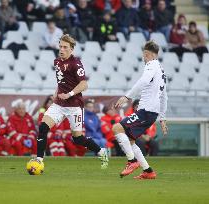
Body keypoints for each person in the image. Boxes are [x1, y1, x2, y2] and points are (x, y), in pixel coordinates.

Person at [36, 34, 109, 169]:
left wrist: (69, 94)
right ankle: (39, 159)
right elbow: (61, 82)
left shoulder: (76, 64)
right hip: (59, 104)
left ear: (71, 49)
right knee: (43, 127)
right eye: (60, 47)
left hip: (74, 106)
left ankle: (101, 151)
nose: (61, 49)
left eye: (65, 47)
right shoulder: (57, 62)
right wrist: (55, 96)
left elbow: (84, 85)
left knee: (77, 138)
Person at [112, 40, 168, 179]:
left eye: (144, 55)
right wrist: (162, 117)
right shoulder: (162, 71)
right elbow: (164, 97)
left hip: (146, 111)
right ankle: (148, 171)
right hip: (151, 112)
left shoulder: (151, 65)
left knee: (117, 128)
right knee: (130, 141)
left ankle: (131, 161)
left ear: (147, 54)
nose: (143, 58)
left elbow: (143, 81)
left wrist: (127, 96)